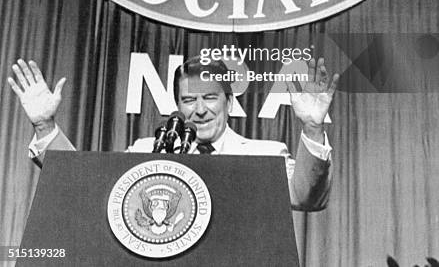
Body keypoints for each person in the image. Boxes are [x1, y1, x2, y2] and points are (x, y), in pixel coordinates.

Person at [9, 55, 339, 210]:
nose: (199, 109)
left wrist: (312, 127)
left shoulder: (265, 155)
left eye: (210, 98)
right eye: (188, 100)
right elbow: (88, 187)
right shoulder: (147, 150)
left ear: (229, 100)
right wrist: (45, 126)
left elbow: (307, 197)